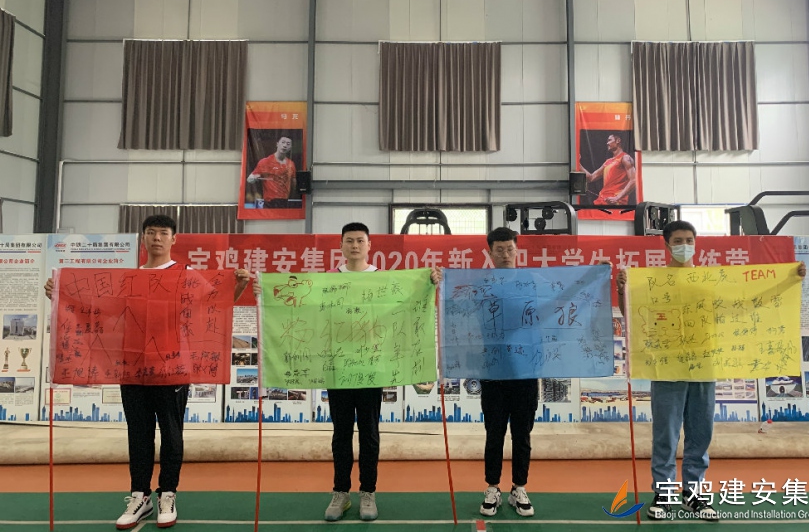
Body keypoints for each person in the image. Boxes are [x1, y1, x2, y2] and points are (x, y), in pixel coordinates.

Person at [44, 214, 251, 530]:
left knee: (171, 434)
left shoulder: (186, 274)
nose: (157, 238)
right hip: (133, 369)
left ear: (173, 239)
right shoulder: (130, 278)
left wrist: (238, 285)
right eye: (151, 232)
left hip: (173, 369)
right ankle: (139, 496)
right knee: (138, 434)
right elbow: (102, 310)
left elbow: (216, 305)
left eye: (163, 233)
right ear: (143, 238)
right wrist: (61, 294)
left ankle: (168, 494)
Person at [616, 220, 806, 521]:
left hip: (704, 367)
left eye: (689, 240)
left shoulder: (710, 281)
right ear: (666, 245)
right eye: (678, 241)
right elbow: (631, 316)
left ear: (696, 243)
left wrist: (788, 281)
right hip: (666, 370)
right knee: (665, 435)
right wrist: (622, 289)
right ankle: (664, 495)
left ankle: (694, 495)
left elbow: (745, 301)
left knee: (700, 434)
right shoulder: (652, 281)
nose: (684, 245)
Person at [251, 222, 441, 522]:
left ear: (369, 245)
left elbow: (408, 303)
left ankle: (368, 492)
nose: (355, 246)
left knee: (369, 433)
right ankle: (340, 492)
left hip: (372, 370)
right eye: (349, 241)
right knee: (341, 434)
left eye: (360, 241)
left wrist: (430, 282)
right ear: (341, 246)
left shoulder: (383, 279)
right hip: (338, 368)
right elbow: (302, 305)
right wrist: (266, 291)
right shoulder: (328, 280)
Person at [479, 227, 537, 518]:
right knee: (494, 433)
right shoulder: (481, 285)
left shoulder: (530, 283)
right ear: (490, 252)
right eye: (499, 250)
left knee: (522, 433)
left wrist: (596, 273)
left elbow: (556, 302)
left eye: (509, 249)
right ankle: (492, 487)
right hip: (493, 370)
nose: (505, 254)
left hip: (525, 370)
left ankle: (519, 488)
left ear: (517, 250)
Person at [580, 133, 636, 205]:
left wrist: (617, 197)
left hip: (615, 202)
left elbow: (634, 180)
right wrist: (578, 163)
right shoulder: (608, 162)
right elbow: (591, 178)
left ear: (618, 140)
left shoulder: (625, 158)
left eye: (609, 140)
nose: (607, 143)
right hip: (602, 199)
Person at [246, 135, 298, 208]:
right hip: (269, 203)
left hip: (285, 202)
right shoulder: (265, 162)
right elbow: (249, 179)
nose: (285, 145)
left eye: (288, 144)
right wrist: (255, 178)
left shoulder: (291, 164)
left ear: (291, 147)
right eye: (283, 142)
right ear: (277, 144)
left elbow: (294, 183)